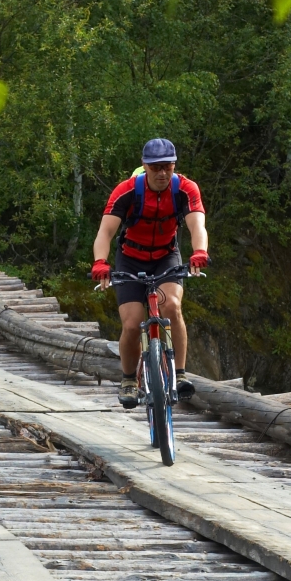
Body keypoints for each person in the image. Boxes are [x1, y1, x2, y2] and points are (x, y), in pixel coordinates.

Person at [90, 138, 209, 408]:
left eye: (167, 166)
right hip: (130, 258)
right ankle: (130, 380)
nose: (162, 172)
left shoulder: (186, 189)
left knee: (173, 307)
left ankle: (179, 375)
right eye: (155, 167)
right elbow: (105, 232)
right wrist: (100, 262)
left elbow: (197, 226)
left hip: (166, 257)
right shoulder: (127, 191)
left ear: (174, 165)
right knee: (132, 324)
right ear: (145, 166)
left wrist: (199, 252)